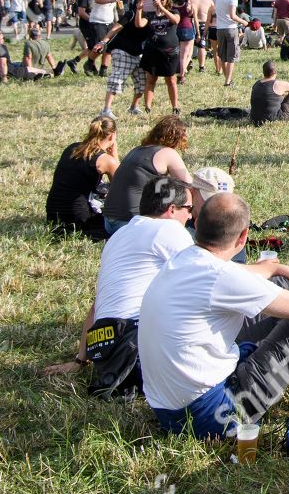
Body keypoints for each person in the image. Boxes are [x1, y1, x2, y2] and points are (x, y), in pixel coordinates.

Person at [137, 193, 289, 439]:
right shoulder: (222, 277)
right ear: (244, 236)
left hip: (169, 412)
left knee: (287, 289)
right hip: (215, 416)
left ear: (196, 223)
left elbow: (270, 272)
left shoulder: (185, 260)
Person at [40, 177, 198, 395]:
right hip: (136, 349)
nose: (190, 215)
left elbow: (97, 305)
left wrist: (80, 360)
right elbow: (206, 277)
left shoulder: (118, 236)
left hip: (105, 354)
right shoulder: (168, 230)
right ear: (172, 209)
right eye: (189, 208)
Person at [100, 116, 194, 236]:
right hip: (131, 224)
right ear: (177, 138)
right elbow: (189, 186)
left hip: (108, 222)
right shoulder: (167, 153)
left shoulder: (136, 150)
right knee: (192, 232)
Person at [44, 116, 119, 241]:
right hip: (79, 217)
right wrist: (114, 155)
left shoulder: (72, 148)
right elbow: (121, 186)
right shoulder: (106, 160)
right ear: (112, 136)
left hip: (53, 215)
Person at [250, 60, 289, 126]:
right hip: (274, 119)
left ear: (264, 72)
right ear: (275, 72)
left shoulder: (256, 84)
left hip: (255, 119)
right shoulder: (278, 84)